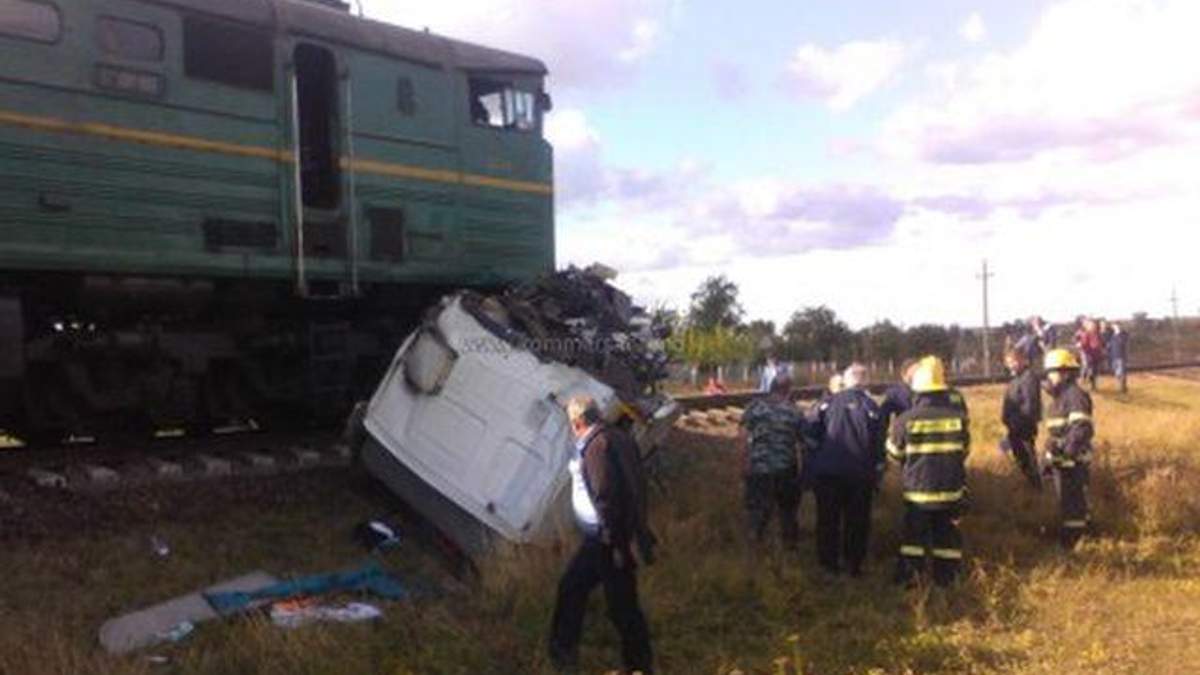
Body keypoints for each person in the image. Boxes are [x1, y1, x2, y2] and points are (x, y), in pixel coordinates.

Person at [549, 397, 653, 674]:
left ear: (578, 422)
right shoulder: (617, 437)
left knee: (614, 603)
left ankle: (566, 657)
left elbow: (606, 497)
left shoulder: (596, 446)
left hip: (606, 540)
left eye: (572, 424)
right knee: (593, 594)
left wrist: (616, 545)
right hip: (610, 537)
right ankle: (636, 662)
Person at [887, 355, 971, 586]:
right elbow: (964, 450)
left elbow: (895, 453)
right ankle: (947, 580)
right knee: (947, 539)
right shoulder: (959, 418)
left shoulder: (905, 420)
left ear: (917, 391)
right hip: (951, 491)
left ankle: (910, 580)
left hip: (918, 494)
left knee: (913, 539)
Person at [807, 363, 884, 576]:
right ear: (865, 381)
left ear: (846, 380)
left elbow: (811, 437)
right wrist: (877, 475)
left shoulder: (826, 404)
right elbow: (879, 447)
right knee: (858, 520)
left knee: (827, 519)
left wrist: (815, 466)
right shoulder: (872, 408)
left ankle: (828, 565)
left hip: (828, 473)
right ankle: (854, 565)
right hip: (860, 475)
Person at [737, 374, 807, 548]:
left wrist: (742, 464)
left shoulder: (754, 407)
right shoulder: (795, 412)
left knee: (757, 512)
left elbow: (742, 437)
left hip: (758, 468)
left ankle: (754, 544)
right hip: (786, 470)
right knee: (788, 513)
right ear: (789, 390)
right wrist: (804, 472)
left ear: (771, 387)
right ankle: (789, 546)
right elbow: (803, 444)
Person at [1042, 349, 1095, 549]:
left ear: (1065, 372)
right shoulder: (1058, 399)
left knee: (1074, 507)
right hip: (1062, 462)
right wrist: (1048, 456)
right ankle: (1072, 541)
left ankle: (1074, 545)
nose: (1048, 377)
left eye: (1052, 372)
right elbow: (1056, 434)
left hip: (1074, 462)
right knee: (1067, 504)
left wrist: (1064, 452)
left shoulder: (1075, 396)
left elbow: (1081, 429)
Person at [1001, 348, 1042, 490]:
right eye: (1008, 363)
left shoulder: (1028, 378)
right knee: (1013, 453)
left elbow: (1030, 405)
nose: (1010, 365)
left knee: (1028, 459)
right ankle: (1028, 484)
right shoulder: (1016, 379)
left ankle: (1036, 487)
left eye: (1013, 362)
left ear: (1022, 360)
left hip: (1023, 428)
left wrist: (1016, 424)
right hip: (1014, 427)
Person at [880, 359, 919, 431]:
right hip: (905, 433)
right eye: (913, 374)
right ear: (904, 374)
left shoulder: (926, 391)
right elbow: (883, 418)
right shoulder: (895, 393)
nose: (916, 376)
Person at [1108, 322, 1129, 393]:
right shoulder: (1112, 335)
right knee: (1116, 373)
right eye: (1114, 326)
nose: (1115, 327)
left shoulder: (1123, 335)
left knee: (1121, 372)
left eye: (1116, 326)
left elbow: (1123, 343)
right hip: (1113, 356)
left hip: (1121, 356)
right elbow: (1110, 345)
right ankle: (1119, 386)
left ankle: (1122, 387)